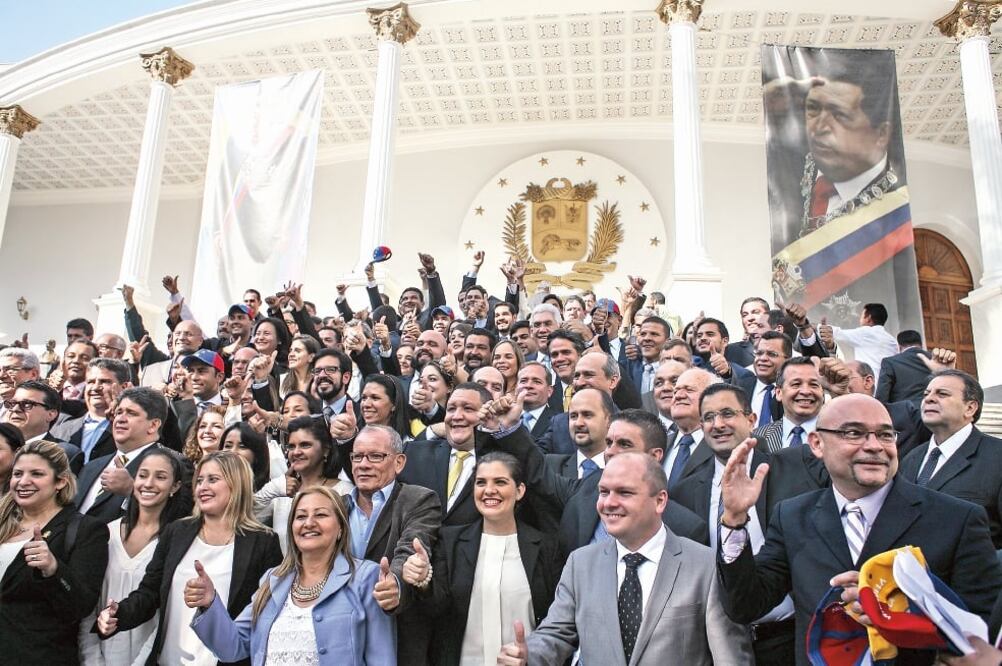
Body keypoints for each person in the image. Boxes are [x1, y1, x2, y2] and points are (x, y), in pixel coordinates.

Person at [717, 393, 1002, 665]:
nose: (875, 446)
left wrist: (906, 618)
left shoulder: (956, 519)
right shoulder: (792, 516)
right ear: (817, 443)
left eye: (885, 434)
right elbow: (746, 605)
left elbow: (982, 633)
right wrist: (734, 518)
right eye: (854, 433)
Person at [497, 452, 752, 665]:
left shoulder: (705, 566)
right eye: (604, 492)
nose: (609, 503)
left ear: (660, 501)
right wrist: (528, 654)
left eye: (624, 493)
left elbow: (730, 658)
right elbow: (556, 635)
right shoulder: (581, 564)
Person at [97, 452, 283, 666]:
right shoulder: (177, 531)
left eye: (213, 480)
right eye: (199, 480)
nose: (203, 487)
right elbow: (149, 593)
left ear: (237, 483)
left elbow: (263, 614)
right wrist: (116, 615)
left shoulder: (263, 543)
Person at [187, 485, 396, 665]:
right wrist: (209, 602)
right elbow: (232, 647)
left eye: (321, 514)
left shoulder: (366, 577)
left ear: (341, 527)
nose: (309, 523)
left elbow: (382, 658)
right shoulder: (273, 580)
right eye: (301, 516)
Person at [672, 383, 795, 664]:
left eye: (727, 413)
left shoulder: (790, 470)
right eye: (708, 417)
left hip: (786, 638)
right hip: (719, 645)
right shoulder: (685, 491)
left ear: (751, 420)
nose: (718, 424)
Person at [414, 452, 560, 665]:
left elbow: (556, 621)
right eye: (481, 483)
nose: (489, 490)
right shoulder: (450, 541)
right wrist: (423, 580)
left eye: (500, 482)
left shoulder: (547, 547)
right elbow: (436, 608)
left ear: (519, 491)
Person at [0, 440, 110, 664]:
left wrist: (53, 569)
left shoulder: (85, 530)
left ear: (60, 481)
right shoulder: (2, 523)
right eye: (18, 473)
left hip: (38, 657)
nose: (23, 481)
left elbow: (81, 606)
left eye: (37, 474)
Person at [80, 449, 188, 665]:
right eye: (142, 475)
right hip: (96, 655)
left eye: (160, 477)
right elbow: (89, 604)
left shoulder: (177, 543)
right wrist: (92, 659)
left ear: (175, 486)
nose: (148, 483)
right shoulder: (106, 534)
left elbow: (164, 611)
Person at [344, 425, 441, 665]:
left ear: (399, 462)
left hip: (397, 640)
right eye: (357, 456)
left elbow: (410, 548)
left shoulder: (418, 499)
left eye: (375, 456)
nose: (363, 464)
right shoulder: (336, 505)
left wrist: (396, 583)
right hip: (343, 639)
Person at [899, 370, 1002, 549]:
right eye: (926, 394)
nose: (929, 399)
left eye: (942, 394)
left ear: (970, 408)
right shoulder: (910, 459)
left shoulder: (997, 456)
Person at [254, 416, 352, 554]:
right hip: (286, 574)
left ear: (326, 450)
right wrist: (274, 488)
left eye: (305, 445)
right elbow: (247, 517)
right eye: (291, 446)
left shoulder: (344, 491)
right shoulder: (282, 493)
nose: (296, 452)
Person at [51, 358, 132, 465]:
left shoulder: (135, 430)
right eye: (90, 382)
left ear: (125, 387)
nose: (95, 387)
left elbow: (135, 459)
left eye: (104, 381)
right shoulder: (61, 430)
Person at [3, 379, 84, 472]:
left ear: (51, 414)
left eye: (27, 404)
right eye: (12, 403)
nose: (15, 409)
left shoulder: (63, 453)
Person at [752, 357, 823, 452]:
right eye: (796, 384)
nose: (806, 391)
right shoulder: (756, 439)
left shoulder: (836, 435)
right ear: (778, 393)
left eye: (814, 385)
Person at [736, 331, 791, 428]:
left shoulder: (793, 391)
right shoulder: (738, 388)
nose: (763, 358)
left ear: (788, 360)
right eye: (759, 353)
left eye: (772, 354)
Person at [828, 303, 899, 371]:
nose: (860, 319)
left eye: (861, 316)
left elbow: (838, 333)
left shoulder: (865, 333)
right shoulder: (892, 341)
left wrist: (819, 327)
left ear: (868, 318)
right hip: (887, 382)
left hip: (868, 381)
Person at [876, 329, 932, 404]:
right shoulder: (934, 360)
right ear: (921, 345)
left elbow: (882, 395)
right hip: (932, 410)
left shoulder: (890, 362)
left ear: (899, 347)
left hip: (904, 412)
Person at [220, 423, 271, 492]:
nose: (233, 452)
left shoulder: (268, 492)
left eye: (242, 447)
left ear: (257, 454)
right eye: (228, 446)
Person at [359, 375, 410, 439]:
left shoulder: (409, 445)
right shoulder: (354, 440)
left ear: (394, 403)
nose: (366, 404)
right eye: (364, 398)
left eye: (375, 398)